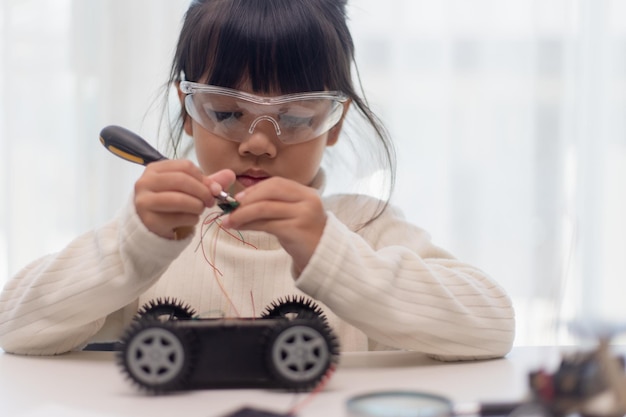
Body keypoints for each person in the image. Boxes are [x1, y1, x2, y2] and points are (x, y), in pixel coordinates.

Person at [0, 0, 514, 360]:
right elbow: (14, 327)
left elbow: (493, 325)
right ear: (187, 112)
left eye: (294, 118)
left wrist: (331, 255)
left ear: (333, 124)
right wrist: (131, 252)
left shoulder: (361, 226)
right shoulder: (158, 234)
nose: (258, 143)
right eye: (225, 113)